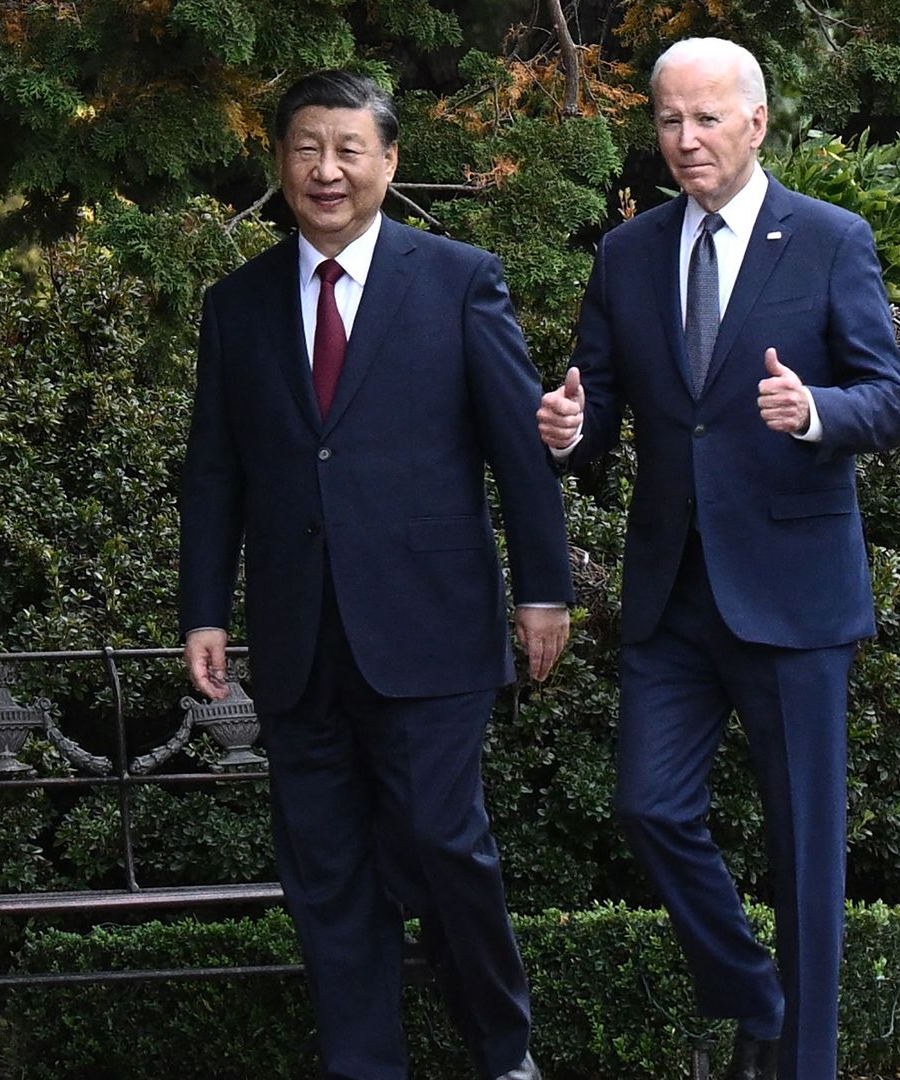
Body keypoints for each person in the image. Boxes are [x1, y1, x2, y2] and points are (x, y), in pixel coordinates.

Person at [536, 37, 900, 1080]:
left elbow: (890, 399)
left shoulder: (830, 240)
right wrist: (567, 431)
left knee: (804, 850)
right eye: (669, 119)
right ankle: (754, 995)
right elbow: (596, 411)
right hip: (672, 595)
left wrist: (816, 411)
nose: (686, 138)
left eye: (706, 118)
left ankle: (804, 1065)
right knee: (648, 807)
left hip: (793, 591)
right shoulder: (627, 253)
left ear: (756, 123)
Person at [180, 69, 571, 1080]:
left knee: (444, 844)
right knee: (327, 872)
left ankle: (505, 1055)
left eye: (349, 149)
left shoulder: (460, 280)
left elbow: (516, 448)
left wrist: (544, 589)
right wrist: (204, 610)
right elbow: (215, 470)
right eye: (307, 148)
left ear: (389, 163)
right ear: (280, 161)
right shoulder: (237, 304)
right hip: (299, 636)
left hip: (433, 627)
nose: (327, 170)